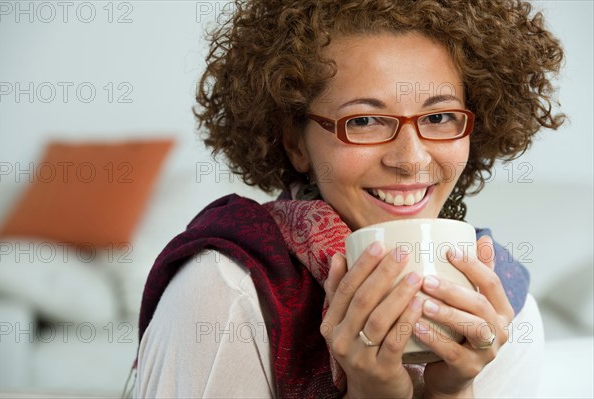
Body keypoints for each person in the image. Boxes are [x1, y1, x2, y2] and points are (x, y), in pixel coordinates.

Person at [133, 0, 565, 398]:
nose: (411, 161)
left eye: (438, 117)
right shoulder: (224, 291)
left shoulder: (506, 309)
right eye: (364, 121)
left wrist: (452, 392)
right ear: (295, 143)